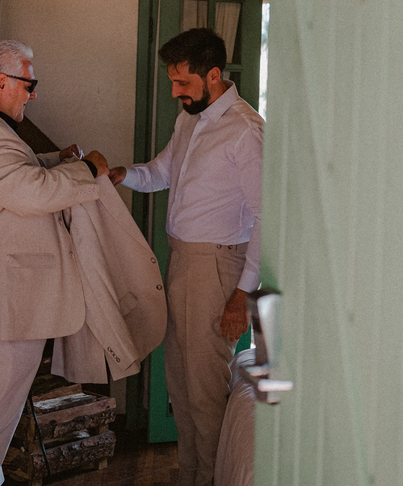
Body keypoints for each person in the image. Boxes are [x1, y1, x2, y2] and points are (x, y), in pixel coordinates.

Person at [0, 38, 109, 486]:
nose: (32, 95)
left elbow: (12, 174)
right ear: (1, 82)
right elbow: (32, 192)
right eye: (29, 85)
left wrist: (54, 159)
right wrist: (88, 170)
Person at [110, 27, 263, 486]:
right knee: (181, 386)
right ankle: (191, 477)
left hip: (216, 269)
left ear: (213, 75)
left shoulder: (245, 130)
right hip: (179, 262)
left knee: (206, 394)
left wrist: (242, 294)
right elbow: (161, 172)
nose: (176, 92)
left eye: (183, 82)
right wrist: (120, 175)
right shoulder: (189, 119)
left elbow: (268, 217)